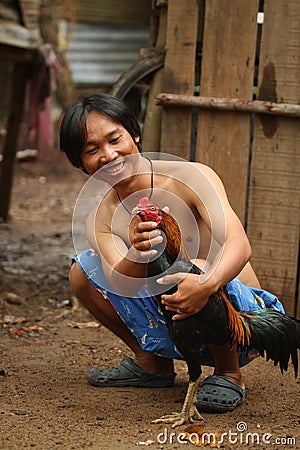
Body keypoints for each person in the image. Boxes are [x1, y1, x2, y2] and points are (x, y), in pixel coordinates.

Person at [59, 93, 284, 413]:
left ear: (134, 133)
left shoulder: (190, 176)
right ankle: (151, 362)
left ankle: (229, 373)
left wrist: (205, 284)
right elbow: (114, 279)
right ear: (80, 162)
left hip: (242, 322)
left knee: (193, 267)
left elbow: (240, 244)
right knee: (81, 273)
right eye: (92, 150)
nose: (109, 156)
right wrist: (136, 252)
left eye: (115, 139)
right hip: (178, 319)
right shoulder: (100, 213)